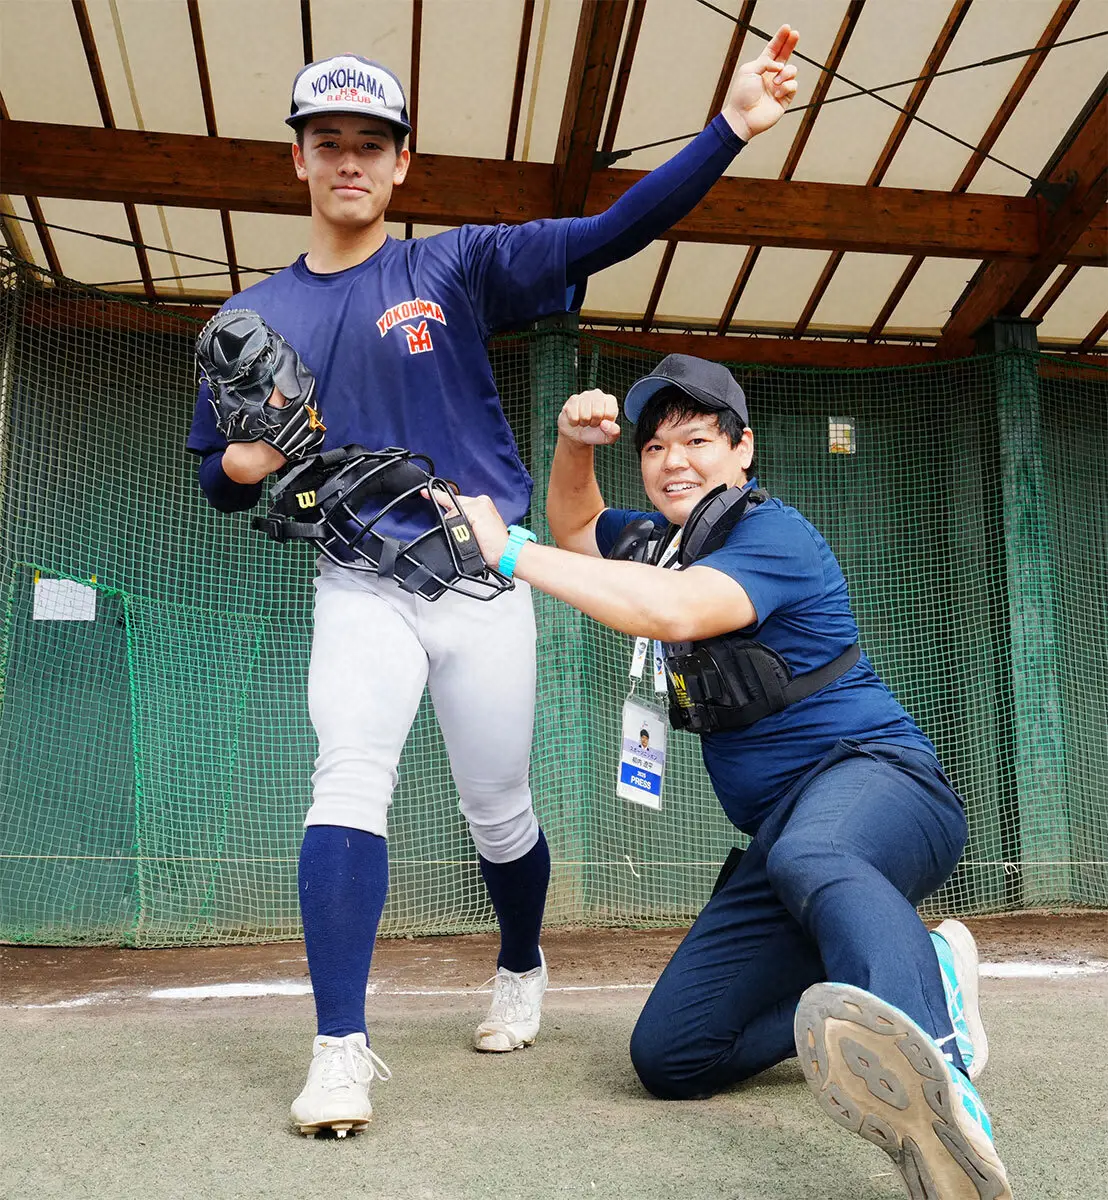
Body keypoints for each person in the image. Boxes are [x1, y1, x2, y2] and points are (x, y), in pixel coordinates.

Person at [186, 32, 801, 1138]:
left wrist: (731, 129)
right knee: (347, 779)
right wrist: (244, 461)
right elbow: (218, 483)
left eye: (370, 143)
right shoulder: (255, 318)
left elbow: (610, 232)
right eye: (327, 141)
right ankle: (339, 1052)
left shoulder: (452, 267)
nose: (348, 160)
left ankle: (521, 963)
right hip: (358, 578)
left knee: (498, 809)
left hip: (482, 575)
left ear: (402, 162)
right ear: (298, 159)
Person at [440, 354, 1010, 1198]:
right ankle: (918, 960)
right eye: (654, 446)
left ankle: (945, 1085)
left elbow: (668, 608)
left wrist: (507, 550)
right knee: (672, 1055)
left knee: (814, 855)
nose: (672, 460)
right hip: (786, 846)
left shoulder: (773, 535)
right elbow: (577, 523)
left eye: (697, 440)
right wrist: (572, 444)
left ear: (743, 449)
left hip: (886, 788)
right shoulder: (660, 543)